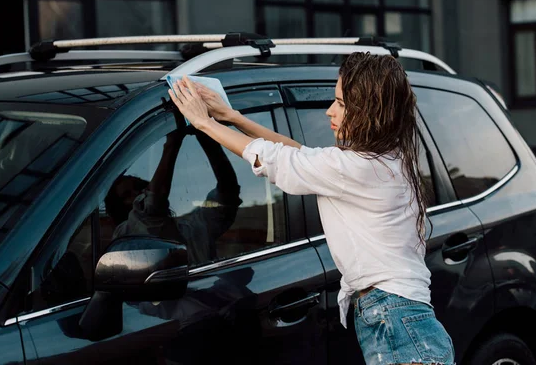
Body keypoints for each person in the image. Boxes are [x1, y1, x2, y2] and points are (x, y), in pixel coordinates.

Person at [168, 52, 455, 365]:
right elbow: (303, 155)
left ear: (369, 110)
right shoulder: (386, 159)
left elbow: (274, 159)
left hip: (396, 323)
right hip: (402, 320)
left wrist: (203, 122)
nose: (330, 111)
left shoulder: (359, 168)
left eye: (342, 103)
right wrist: (233, 118)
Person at [105, 128, 242, 266]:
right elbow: (151, 205)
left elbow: (228, 191)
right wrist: (172, 141)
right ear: (117, 208)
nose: (137, 194)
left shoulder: (192, 227)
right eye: (127, 195)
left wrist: (205, 134)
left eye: (139, 187)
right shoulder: (126, 233)